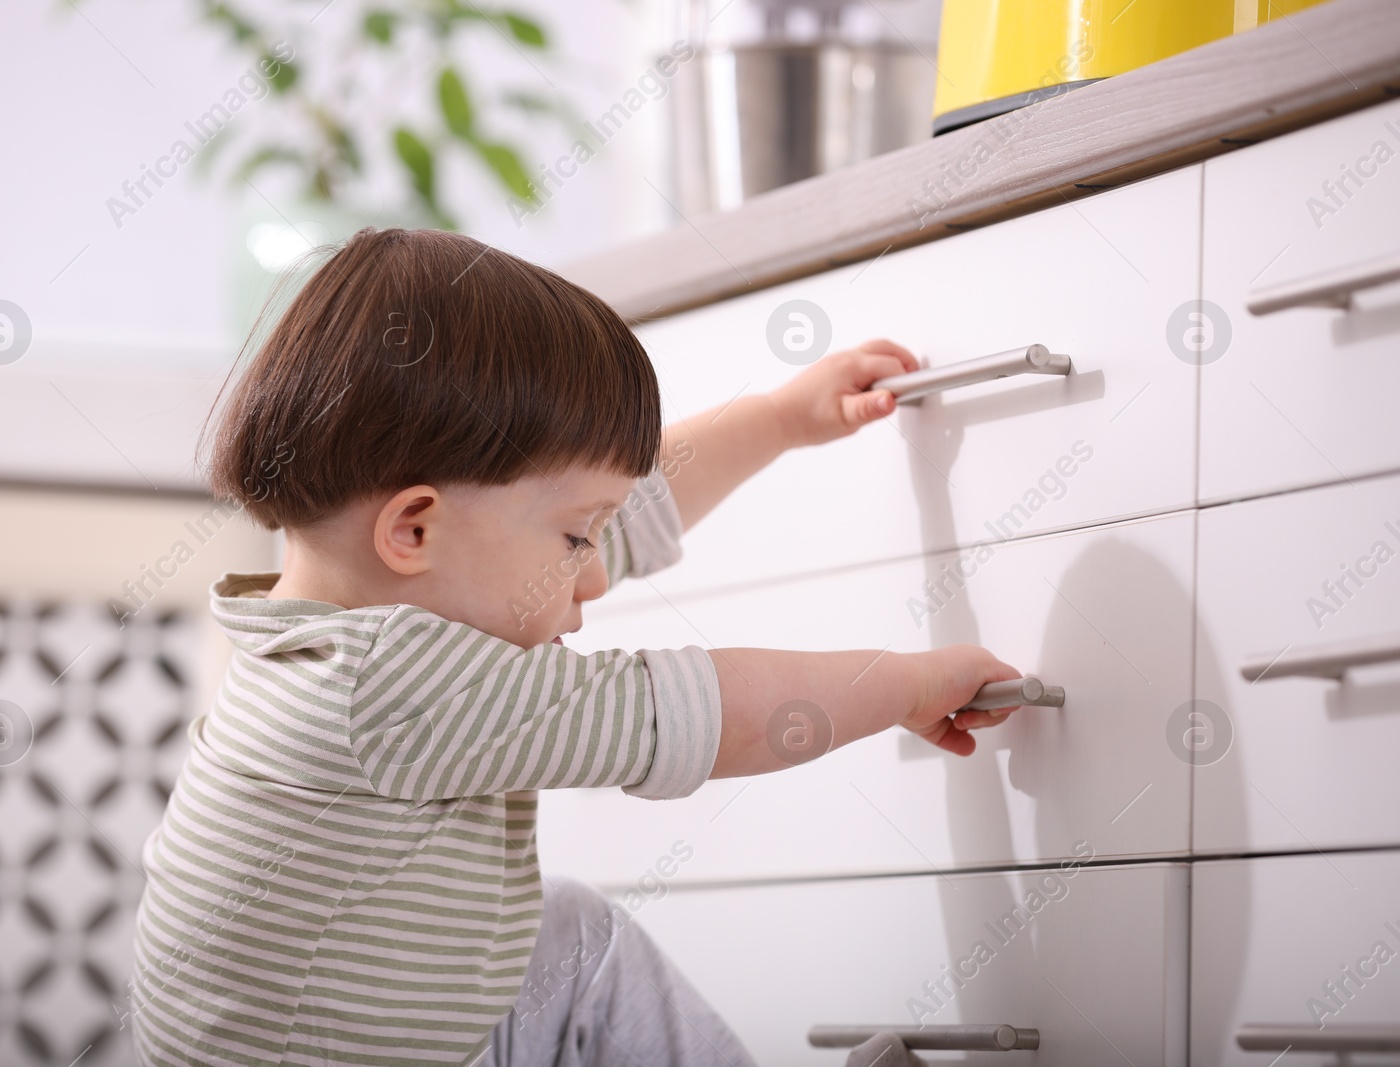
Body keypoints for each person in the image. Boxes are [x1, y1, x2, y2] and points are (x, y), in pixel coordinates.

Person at [128, 227, 1020, 1066]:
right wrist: (906, 683)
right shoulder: (393, 685)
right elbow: (712, 713)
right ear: (413, 529)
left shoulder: (324, 636)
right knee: (586, 950)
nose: (595, 577)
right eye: (574, 541)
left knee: (564, 931)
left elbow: (614, 515)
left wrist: (782, 417)